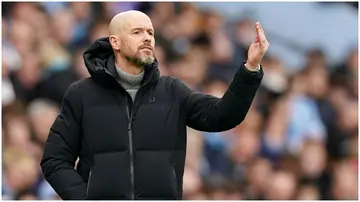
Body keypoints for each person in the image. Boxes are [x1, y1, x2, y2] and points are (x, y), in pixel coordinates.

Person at [40, 10, 269, 200]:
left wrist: (250, 67)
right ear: (115, 42)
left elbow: (223, 115)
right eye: (137, 32)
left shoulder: (173, 91)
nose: (147, 38)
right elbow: (55, 160)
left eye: (150, 32)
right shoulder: (82, 94)